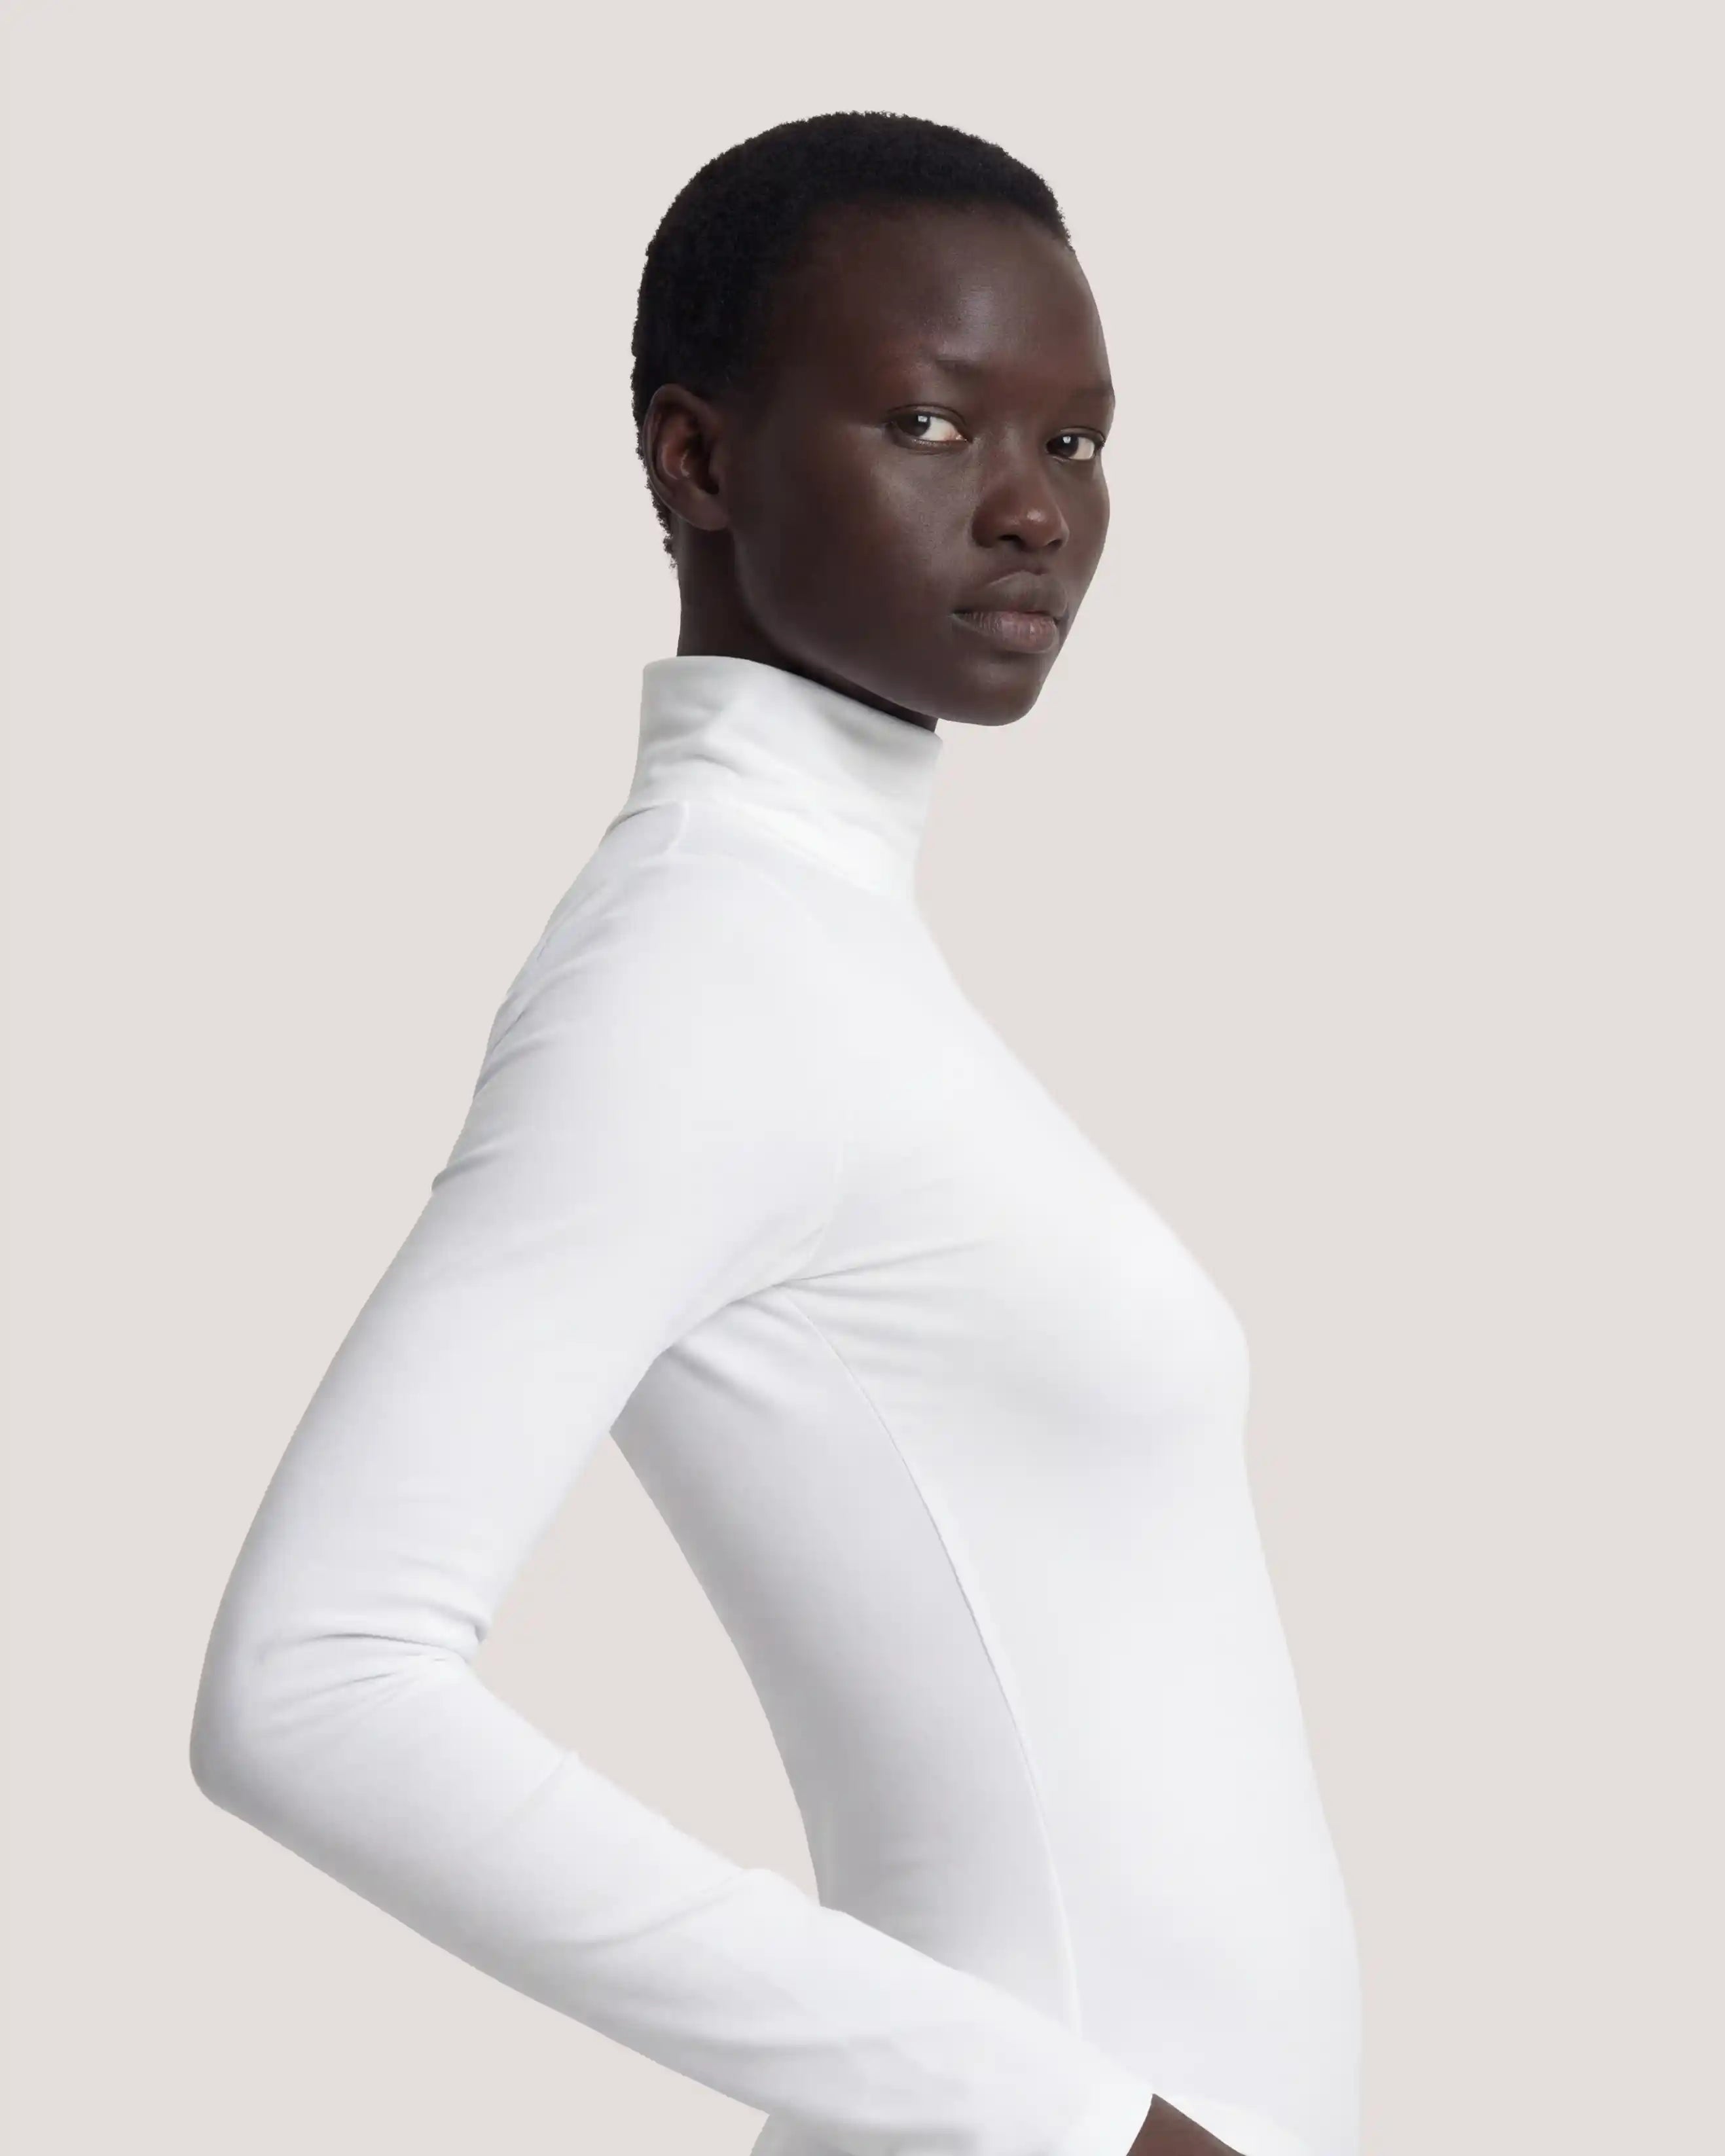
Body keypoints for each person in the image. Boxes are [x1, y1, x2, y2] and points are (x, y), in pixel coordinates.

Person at [190, 111, 1362, 2156]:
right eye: (931, 424)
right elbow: (312, 1688)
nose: (1031, 510)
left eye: (1076, 441)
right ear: (697, 461)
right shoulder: (695, 971)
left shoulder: (820, 958)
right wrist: (1075, 2123)